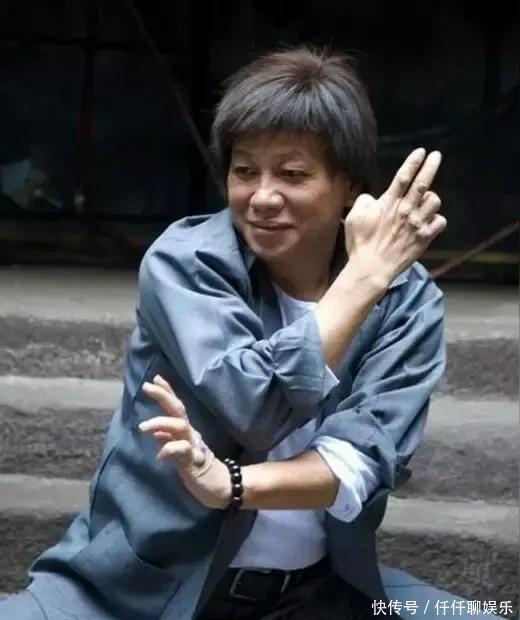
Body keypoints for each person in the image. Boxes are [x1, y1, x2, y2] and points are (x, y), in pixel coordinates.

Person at [0, 46, 494, 620]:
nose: (262, 197)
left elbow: (361, 460)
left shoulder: (405, 298)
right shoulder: (187, 261)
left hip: (318, 596)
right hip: (135, 594)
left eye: (292, 174)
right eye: (244, 171)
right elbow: (254, 406)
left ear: (348, 187)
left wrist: (231, 484)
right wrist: (364, 277)